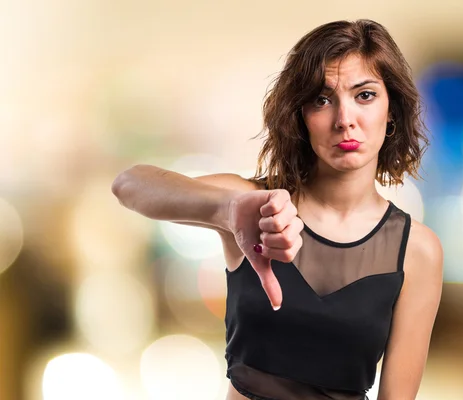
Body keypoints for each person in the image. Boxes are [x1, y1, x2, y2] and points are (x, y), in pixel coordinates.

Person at [112, 19, 443, 400]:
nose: (344, 119)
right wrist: (228, 208)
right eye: (321, 99)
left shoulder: (416, 250)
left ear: (392, 112)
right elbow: (129, 185)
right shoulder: (252, 203)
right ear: (300, 117)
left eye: (364, 95)